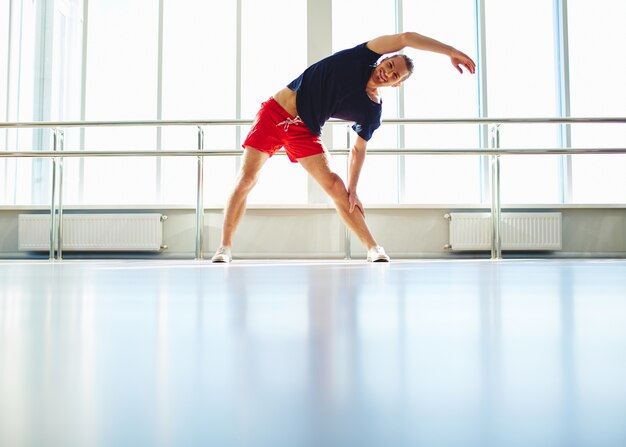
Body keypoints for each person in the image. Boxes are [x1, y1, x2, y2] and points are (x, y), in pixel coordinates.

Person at [212, 32, 476, 263]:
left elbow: (358, 150)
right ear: (384, 58)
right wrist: (450, 52)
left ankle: (373, 248)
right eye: (390, 64)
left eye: (395, 75)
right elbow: (406, 37)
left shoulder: (371, 110)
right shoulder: (361, 56)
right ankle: (225, 247)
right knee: (247, 179)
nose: (388, 72)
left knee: (338, 189)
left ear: (396, 84)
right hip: (275, 113)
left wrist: (354, 190)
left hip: (304, 131)